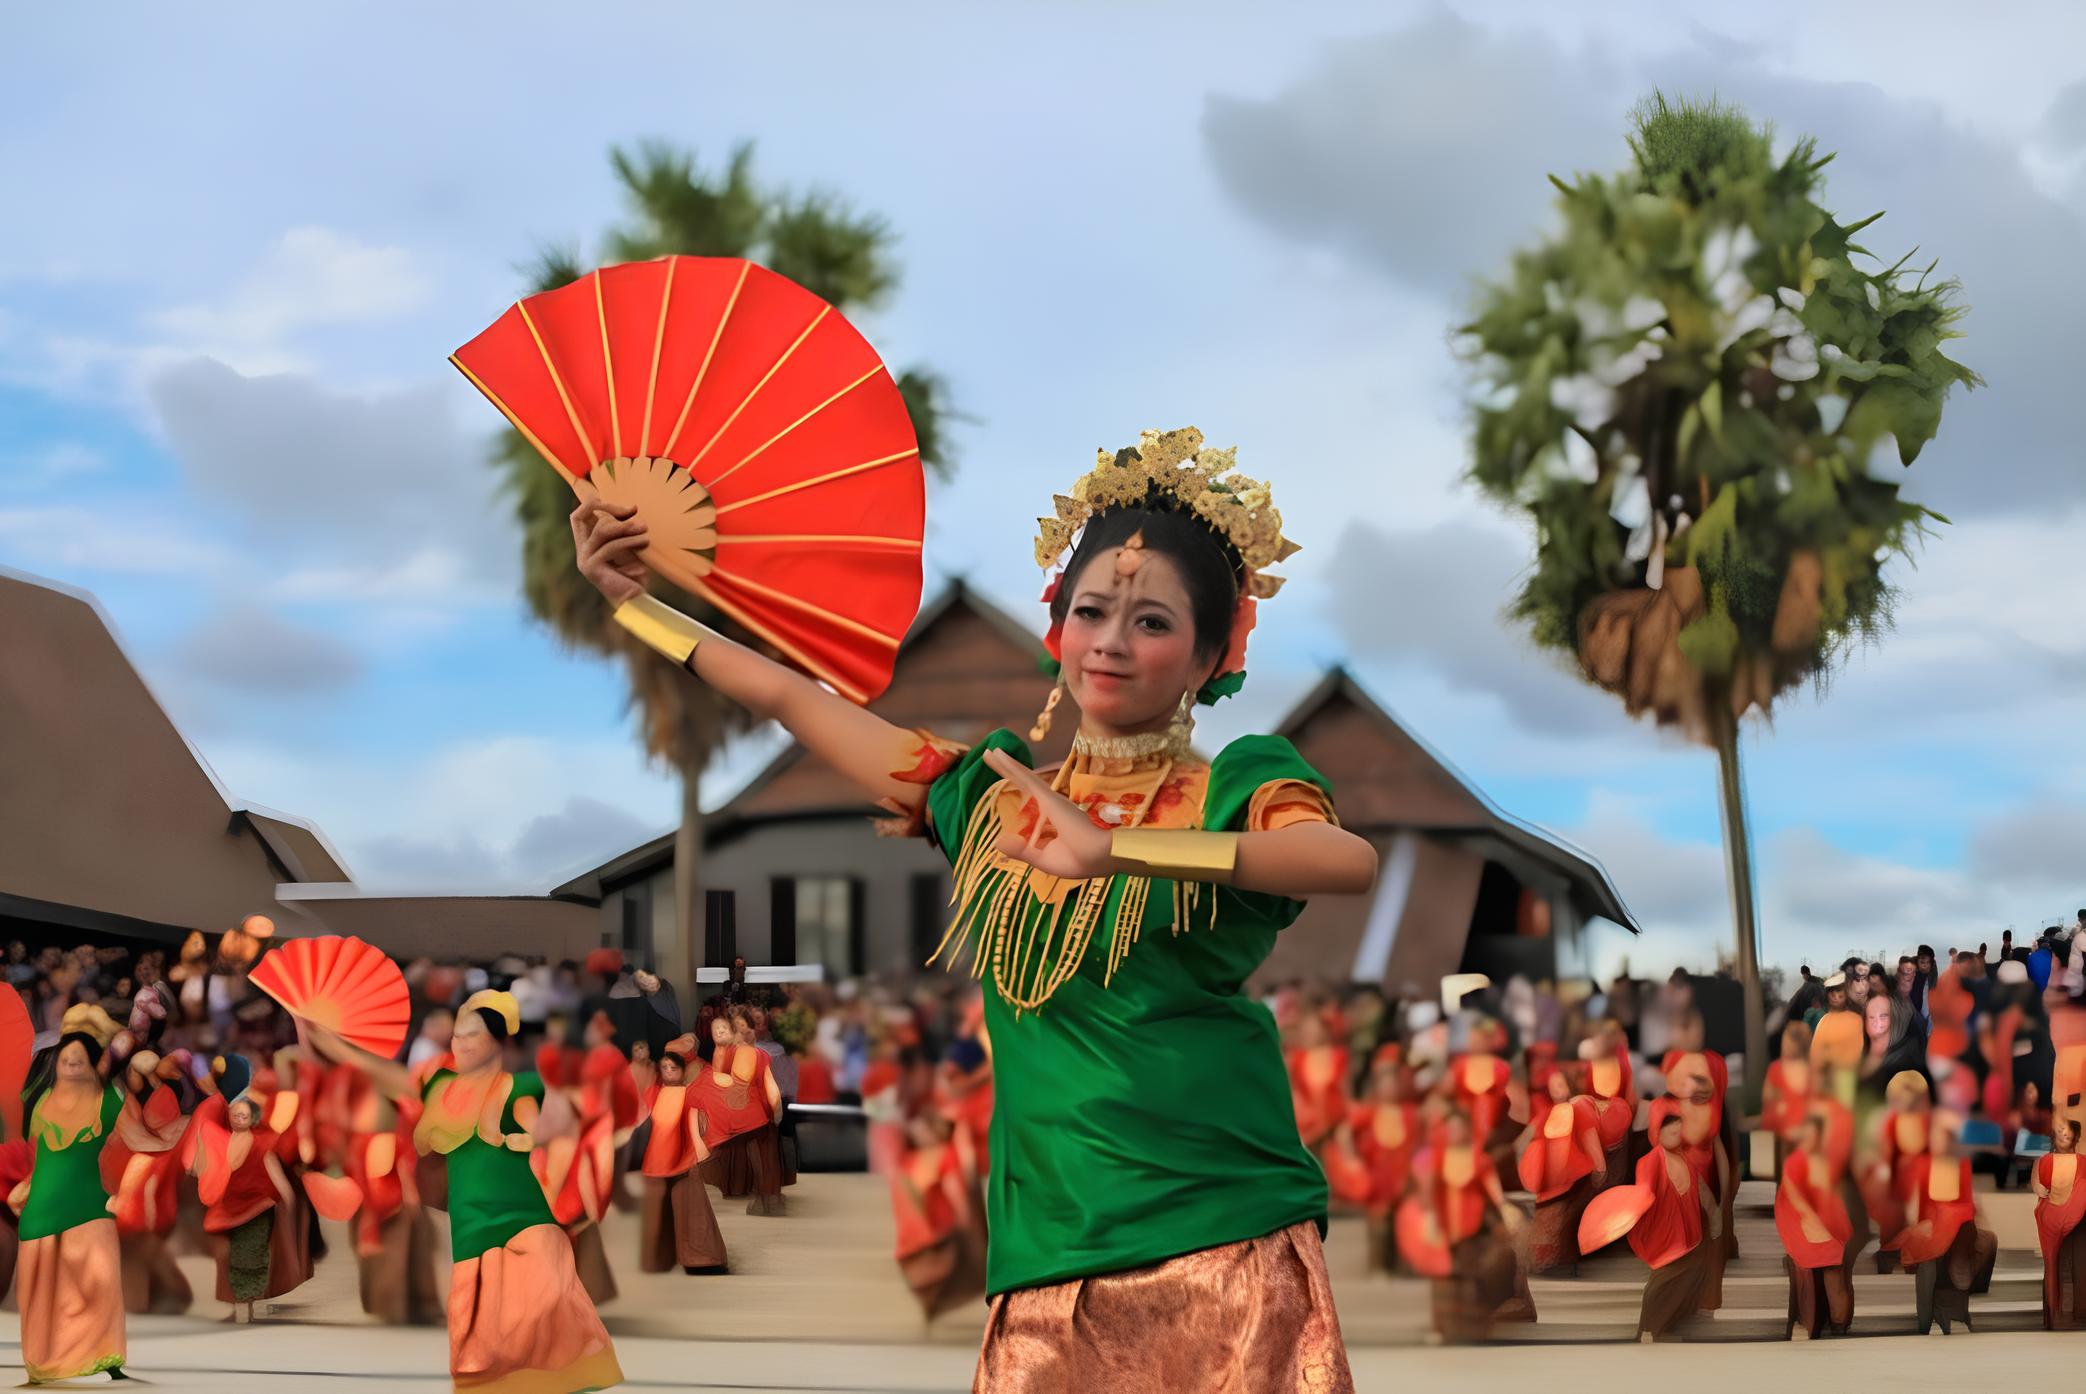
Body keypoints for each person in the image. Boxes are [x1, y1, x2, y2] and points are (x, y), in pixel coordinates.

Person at [570, 426, 1375, 1389]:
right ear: (1056, 631)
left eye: (1153, 623)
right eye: (1091, 612)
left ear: (1212, 654)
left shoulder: (1234, 788)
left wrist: (1114, 849)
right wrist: (633, 604)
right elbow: (792, 697)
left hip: (1224, 1236)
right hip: (1047, 1242)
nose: (1112, 642)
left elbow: (1343, 859)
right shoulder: (987, 797)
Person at [307, 992, 621, 1394]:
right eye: (456, 1036)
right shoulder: (436, 1085)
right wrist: (329, 1042)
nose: (462, 1043)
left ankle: (554, 1382)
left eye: (473, 1035)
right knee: (479, 1331)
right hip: (471, 1223)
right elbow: (382, 1076)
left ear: (498, 1040)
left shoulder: (525, 1084)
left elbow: (572, 1115)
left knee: (547, 1304)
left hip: (528, 1215)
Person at [11, 1005, 134, 1383]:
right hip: (43, 1209)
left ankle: (106, 1356)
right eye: (65, 1061)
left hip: (92, 1204)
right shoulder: (42, 1103)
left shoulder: (109, 1102)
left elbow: (130, 1144)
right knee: (42, 1292)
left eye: (78, 1062)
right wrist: (26, 1186)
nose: (69, 1067)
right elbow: (36, 1154)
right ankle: (43, 1362)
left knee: (100, 1282)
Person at [1895, 1110, 1998, 1336]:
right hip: (1931, 1220)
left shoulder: (1960, 1161)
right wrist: (1917, 1223)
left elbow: (1967, 1199)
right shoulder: (1921, 1162)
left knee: (1978, 1242)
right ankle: (1927, 1317)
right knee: (1929, 1250)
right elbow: (1914, 1200)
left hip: (1957, 1219)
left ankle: (1951, 1310)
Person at [634, 1037, 727, 1274]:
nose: (668, 1071)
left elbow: (694, 1122)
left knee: (690, 1206)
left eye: (673, 1068)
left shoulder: (688, 1095)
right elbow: (642, 1120)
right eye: (664, 1067)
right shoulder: (654, 1094)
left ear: (683, 1070)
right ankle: (661, 1258)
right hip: (657, 1160)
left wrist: (699, 1149)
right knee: (659, 1211)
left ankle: (701, 1258)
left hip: (683, 1160)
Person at [693, 1007, 787, 1216]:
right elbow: (768, 1087)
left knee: (760, 1156)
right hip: (756, 1113)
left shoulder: (736, 1054)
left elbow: (722, 1084)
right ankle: (769, 1199)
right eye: (739, 1029)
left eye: (745, 1028)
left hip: (748, 1113)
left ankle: (766, 1199)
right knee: (763, 1155)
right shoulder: (751, 1054)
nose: (743, 1033)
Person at [1518, 1067, 1605, 1274]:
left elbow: (1590, 1139)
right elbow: (1527, 1141)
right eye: (1553, 1082)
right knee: (1544, 1222)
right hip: (1548, 1183)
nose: (1556, 1086)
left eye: (1561, 1082)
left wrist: (1600, 1168)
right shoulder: (1545, 1113)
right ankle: (1545, 1264)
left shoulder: (1579, 1109)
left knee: (1564, 1224)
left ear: (1569, 1084)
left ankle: (1562, 1264)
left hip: (1574, 1179)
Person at [1776, 1114, 1853, 1338]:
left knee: (1833, 1279)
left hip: (1825, 1228)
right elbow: (1794, 1196)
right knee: (1820, 1279)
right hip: (1811, 1228)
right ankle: (1824, 1325)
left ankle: (1837, 1326)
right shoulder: (1798, 1161)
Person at [2032, 1117, 2086, 1329]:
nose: (2064, 1134)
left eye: (2068, 1131)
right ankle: (2056, 1314)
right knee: (2053, 1264)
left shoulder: (2083, 1162)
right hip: (2052, 1220)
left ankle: (2078, 1312)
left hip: (2079, 1220)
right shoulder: (2045, 1160)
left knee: (2079, 1263)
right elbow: (2038, 1184)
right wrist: (2036, 1185)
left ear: (2076, 1136)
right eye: (2060, 1130)